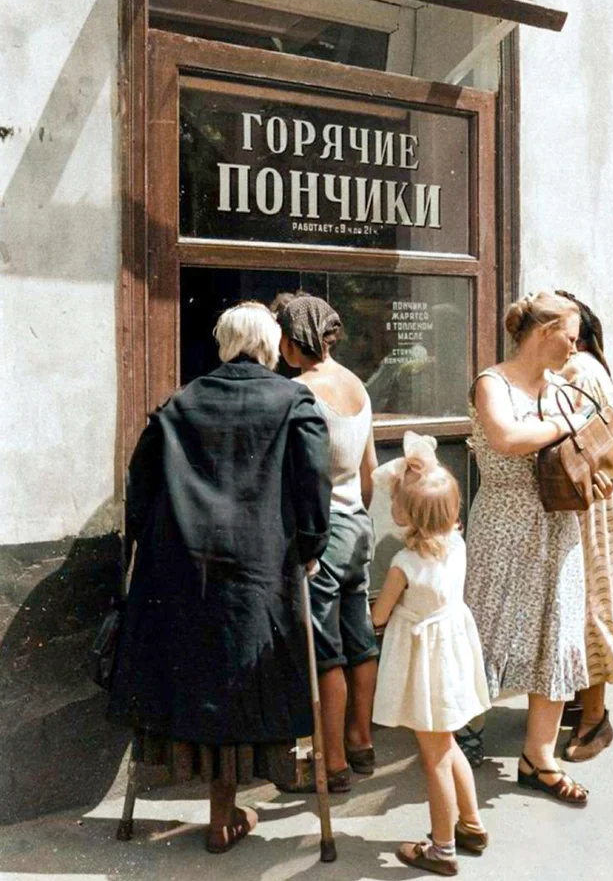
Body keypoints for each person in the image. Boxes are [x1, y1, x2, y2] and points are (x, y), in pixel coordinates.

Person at [108, 303, 331, 853]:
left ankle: (222, 814)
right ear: (270, 346)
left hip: (182, 568)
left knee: (197, 676)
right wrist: (311, 548)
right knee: (246, 679)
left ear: (224, 344)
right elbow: (313, 486)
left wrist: (141, 548)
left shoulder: (179, 403)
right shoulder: (293, 401)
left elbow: (139, 487)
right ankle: (224, 817)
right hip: (260, 571)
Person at [465, 291, 613, 807]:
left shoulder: (561, 388)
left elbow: (580, 451)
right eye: (569, 337)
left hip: (557, 524)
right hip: (503, 524)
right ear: (545, 331)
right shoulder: (492, 383)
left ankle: (539, 758)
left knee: (557, 633)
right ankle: (462, 731)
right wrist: (565, 423)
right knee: (486, 628)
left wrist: (593, 475)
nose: (574, 348)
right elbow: (506, 438)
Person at [371, 432, 490, 876]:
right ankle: (471, 824)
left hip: (425, 665)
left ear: (409, 515)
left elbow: (379, 615)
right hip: (452, 657)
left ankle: (442, 848)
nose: (392, 503)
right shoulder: (457, 546)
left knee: (435, 755)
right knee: (448, 741)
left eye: (396, 500)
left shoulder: (404, 564)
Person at [277, 295, 379, 792]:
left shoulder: (300, 391)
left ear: (293, 340)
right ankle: (361, 741)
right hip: (358, 523)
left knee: (326, 648)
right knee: (360, 637)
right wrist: (361, 516)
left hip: (326, 529)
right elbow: (369, 470)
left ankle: (332, 761)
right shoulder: (357, 385)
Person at [556, 290, 613, 761]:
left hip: (591, 498)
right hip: (600, 494)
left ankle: (594, 718)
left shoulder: (577, 370)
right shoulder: (590, 366)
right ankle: (582, 703)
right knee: (594, 597)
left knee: (589, 601)